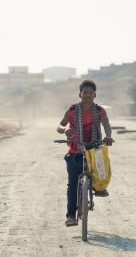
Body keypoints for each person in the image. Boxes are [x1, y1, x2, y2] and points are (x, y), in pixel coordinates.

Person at [57, 79, 113, 227]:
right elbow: (59, 125)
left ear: (95, 95)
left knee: (102, 168)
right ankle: (70, 215)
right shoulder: (72, 110)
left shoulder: (100, 111)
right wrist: (65, 130)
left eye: (90, 93)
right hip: (75, 150)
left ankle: (100, 188)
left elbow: (106, 125)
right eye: (85, 93)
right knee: (72, 184)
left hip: (94, 150)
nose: (87, 95)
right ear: (80, 95)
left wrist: (108, 136)